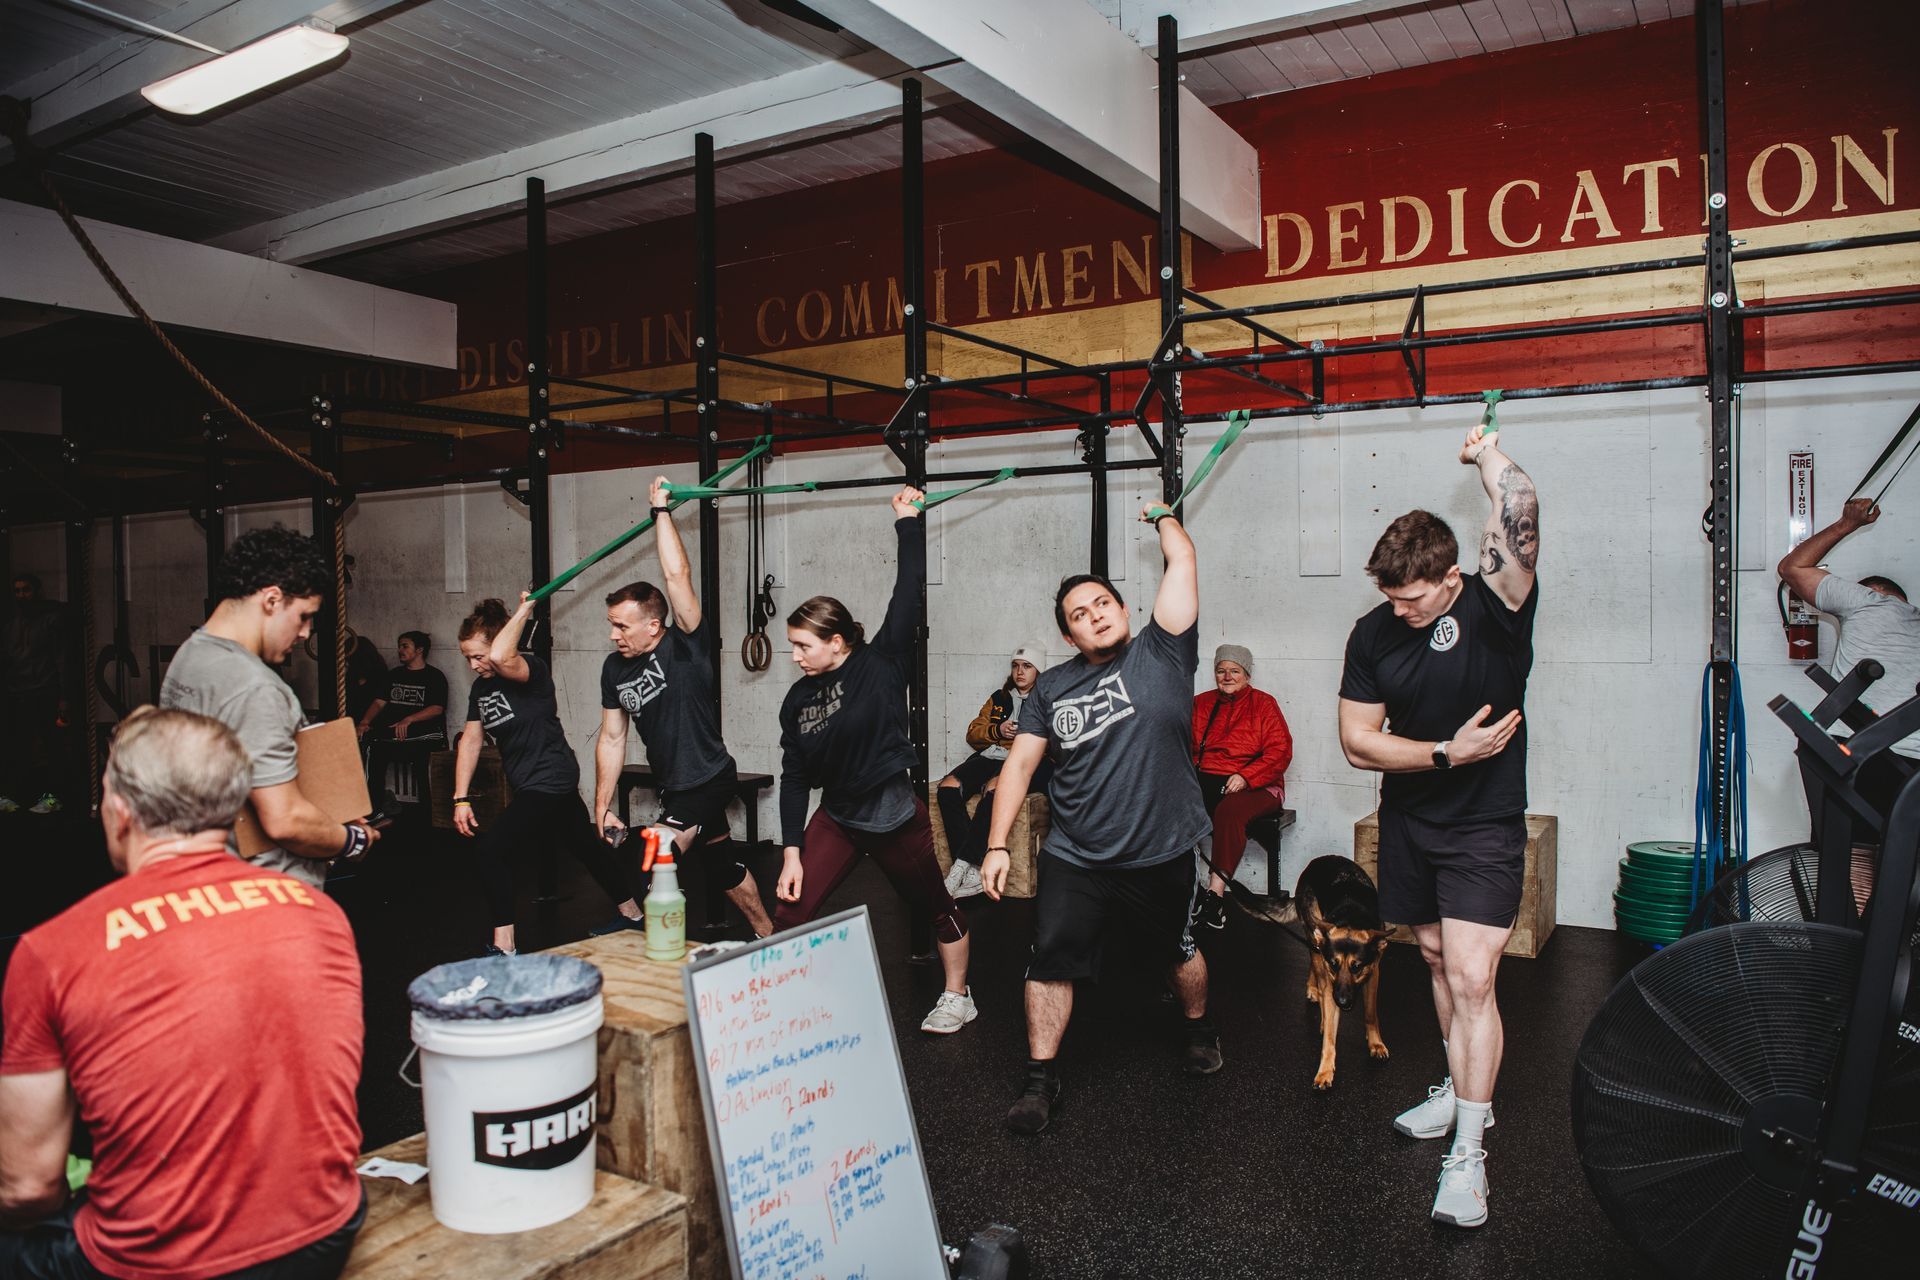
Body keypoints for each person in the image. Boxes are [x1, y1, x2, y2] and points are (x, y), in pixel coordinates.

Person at [0, 706, 365, 1278]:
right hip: (324, 1235)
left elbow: (27, 1189)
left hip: (160, 1262)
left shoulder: (50, 951)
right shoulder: (320, 913)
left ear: (121, 811)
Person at [1336, 418, 1541, 1229]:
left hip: (1484, 823)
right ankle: (1459, 1088)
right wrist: (1445, 754)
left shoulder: (1500, 604)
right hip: (1411, 821)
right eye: (1390, 595)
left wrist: (1487, 456)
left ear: (1452, 576)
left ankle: (1470, 1151)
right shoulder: (1373, 632)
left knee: (1473, 977)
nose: (1400, 608)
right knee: (1431, 957)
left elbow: (1519, 502)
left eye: (1413, 596)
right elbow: (1358, 742)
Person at [983, 501, 1219, 1136]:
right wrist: (997, 843)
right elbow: (1020, 765)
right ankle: (1040, 1079)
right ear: (1069, 637)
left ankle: (1198, 1028)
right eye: (1079, 615)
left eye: (1102, 604)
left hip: (1160, 850)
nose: (1094, 616)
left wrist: (1165, 518)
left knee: (1178, 950)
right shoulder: (1051, 688)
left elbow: (1183, 559)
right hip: (1078, 855)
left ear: (1125, 609)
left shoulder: (1164, 651)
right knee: (1049, 958)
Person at [774, 487, 974, 1035]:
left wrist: (907, 521)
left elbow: (908, 589)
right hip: (838, 818)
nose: (794, 655)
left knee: (937, 907)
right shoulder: (797, 700)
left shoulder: (881, 663)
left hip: (892, 818)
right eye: (792, 645)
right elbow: (794, 777)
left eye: (802, 645)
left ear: (837, 641)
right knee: (790, 909)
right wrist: (791, 852)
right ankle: (777, 1011)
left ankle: (958, 995)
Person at [593, 476, 774, 940]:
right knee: (724, 868)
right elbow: (612, 739)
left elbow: (677, 576)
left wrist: (661, 511)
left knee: (659, 852)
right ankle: (769, 936)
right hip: (675, 784)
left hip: (709, 777)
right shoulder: (613, 669)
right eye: (611, 625)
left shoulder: (685, 645)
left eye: (621, 626)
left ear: (654, 625)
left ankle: (654, 952)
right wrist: (601, 805)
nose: (614, 635)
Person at [160, 526, 378, 888]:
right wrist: (353, 840)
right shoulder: (255, 687)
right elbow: (285, 820)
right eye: (304, 616)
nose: (306, 633)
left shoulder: (190, 655)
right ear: (272, 600)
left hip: (210, 877)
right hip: (269, 891)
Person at [453, 595, 646, 955]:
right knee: (586, 846)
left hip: (549, 778)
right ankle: (633, 914)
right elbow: (471, 741)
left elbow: (502, 658)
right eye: (467, 658)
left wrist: (524, 610)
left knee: (491, 851)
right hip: (530, 782)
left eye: (478, 656)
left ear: (499, 644)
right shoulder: (481, 689)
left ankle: (505, 946)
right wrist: (460, 797)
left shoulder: (531, 669)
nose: (474, 665)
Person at [1776, 496, 1919, 819]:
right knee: (1897, 848)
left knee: (1844, 847)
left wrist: (1848, 524)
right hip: (1913, 769)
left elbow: (1792, 568)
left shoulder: (1869, 601)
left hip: (1854, 753)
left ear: (1871, 591)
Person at [1189, 643, 1293, 928]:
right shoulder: (1200, 704)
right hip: (1209, 779)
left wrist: (1247, 776)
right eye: (1221, 670)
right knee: (1172, 808)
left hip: (1258, 784)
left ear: (1247, 674)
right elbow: (1180, 745)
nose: (1227, 677)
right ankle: (1189, 891)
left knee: (1229, 811)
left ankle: (1215, 896)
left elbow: (1280, 751)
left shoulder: (1264, 704)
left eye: (1234, 671)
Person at [936, 646, 1051, 900]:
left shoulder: (1046, 698)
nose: (1019, 671)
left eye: (1027, 666)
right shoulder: (1000, 697)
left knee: (996, 788)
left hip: (1024, 760)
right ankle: (969, 868)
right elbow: (973, 733)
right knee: (948, 788)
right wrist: (997, 730)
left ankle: (962, 867)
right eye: (1015, 665)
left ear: (1038, 670)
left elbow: (1054, 740)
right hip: (991, 755)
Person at [1, 572, 72, 816]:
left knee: (51, 748)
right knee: (20, 748)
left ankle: (53, 799)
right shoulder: (11, 626)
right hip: (19, 693)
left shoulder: (50, 621)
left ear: (36, 592)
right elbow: (9, 659)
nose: (21, 595)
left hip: (44, 691)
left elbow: (61, 660)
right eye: (17, 591)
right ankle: (17, 797)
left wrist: (64, 698)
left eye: (26, 590)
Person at [356, 631, 449, 746]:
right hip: (392, 731)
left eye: (405, 646)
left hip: (422, 734)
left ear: (419, 650)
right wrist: (364, 722)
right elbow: (379, 702)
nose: (400, 650)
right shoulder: (394, 674)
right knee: (365, 738)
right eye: (399, 647)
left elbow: (437, 709)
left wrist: (409, 719)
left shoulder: (435, 676)